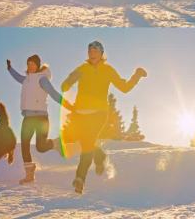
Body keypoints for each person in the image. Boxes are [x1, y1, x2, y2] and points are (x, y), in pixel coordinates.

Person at [60, 41, 147, 194]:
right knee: (88, 143)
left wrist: (137, 75)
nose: (92, 53)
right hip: (80, 113)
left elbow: (124, 88)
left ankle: (80, 179)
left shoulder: (108, 70)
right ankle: (100, 156)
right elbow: (66, 84)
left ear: (101, 53)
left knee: (87, 146)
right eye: (90, 51)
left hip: (99, 113)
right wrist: (68, 81)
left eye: (95, 50)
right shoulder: (82, 69)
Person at [7, 55, 75, 184]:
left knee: (40, 146)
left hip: (41, 118)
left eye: (33, 64)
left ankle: (56, 144)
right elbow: (17, 77)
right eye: (28, 64)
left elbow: (53, 93)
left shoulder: (42, 79)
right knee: (25, 146)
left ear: (38, 65)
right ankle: (29, 175)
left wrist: (67, 105)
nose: (30, 66)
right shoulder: (26, 79)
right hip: (27, 118)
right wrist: (10, 68)